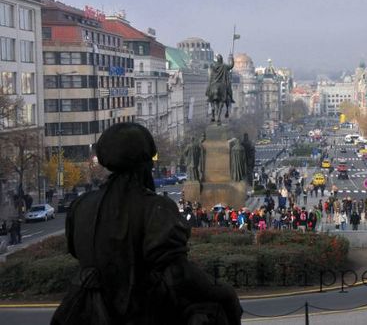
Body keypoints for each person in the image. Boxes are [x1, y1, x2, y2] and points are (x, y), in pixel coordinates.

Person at [52, 122, 242, 325]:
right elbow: (178, 274)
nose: (152, 166)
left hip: (88, 311)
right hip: (140, 312)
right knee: (215, 310)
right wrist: (223, 291)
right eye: (150, 161)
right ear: (143, 164)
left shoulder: (80, 206)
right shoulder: (155, 208)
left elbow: (75, 251)